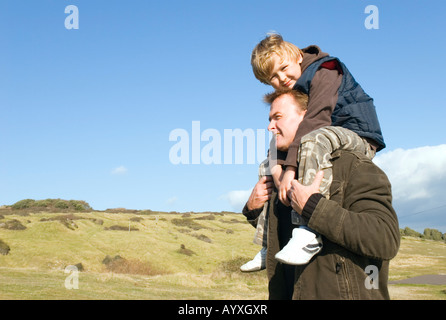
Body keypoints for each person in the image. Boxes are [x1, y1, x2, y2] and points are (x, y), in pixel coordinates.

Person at [241, 32, 385, 270]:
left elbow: (316, 119)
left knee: (313, 137)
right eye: (272, 78)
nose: (281, 78)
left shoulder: (326, 70)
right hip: (326, 134)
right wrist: (275, 167)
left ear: (297, 56)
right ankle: (267, 243)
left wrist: (289, 169)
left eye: (283, 68)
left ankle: (308, 231)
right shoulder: (296, 85)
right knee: (270, 154)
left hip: (358, 134)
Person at [242, 90, 400, 299]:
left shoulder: (353, 165)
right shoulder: (279, 173)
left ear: (307, 117)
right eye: (269, 119)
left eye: (278, 117)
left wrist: (314, 208)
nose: (270, 126)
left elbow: (384, 239)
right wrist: (253, 209)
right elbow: (282, 233)